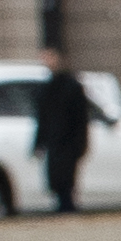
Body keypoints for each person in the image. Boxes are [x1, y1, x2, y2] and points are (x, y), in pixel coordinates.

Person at [32, 53, 95, 216]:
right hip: (54, 141)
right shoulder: (48, 87)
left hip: (69, 141)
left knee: (67, 179)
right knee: (56, 178)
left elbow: (81, 118)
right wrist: (39, 142)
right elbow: (42, 119)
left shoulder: (72, 87)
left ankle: (67, 207)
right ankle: (63, 206)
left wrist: (81, 143)